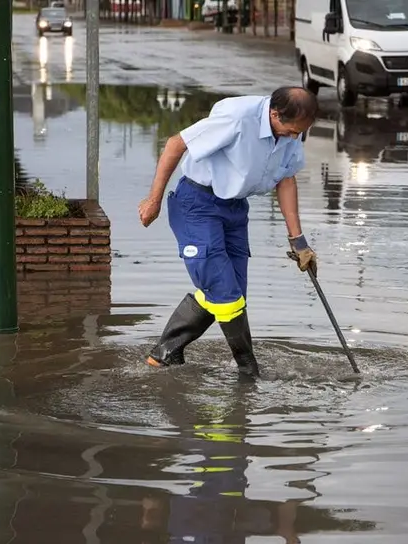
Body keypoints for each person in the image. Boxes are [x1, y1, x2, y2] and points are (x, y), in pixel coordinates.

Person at [137, 86, 319, 380]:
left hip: (234, 210)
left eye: (300, 132)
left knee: (230, 294)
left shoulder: (289, 132)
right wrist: (153, 200)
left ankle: (164, 354)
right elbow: (175, 144)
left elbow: (286, 179)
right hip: (197, 204)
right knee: (226, 295)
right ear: (274, 113)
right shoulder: (237, 118)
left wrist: (299, 242)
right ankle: (249, 370)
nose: (294, 137)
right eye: (291, 131)